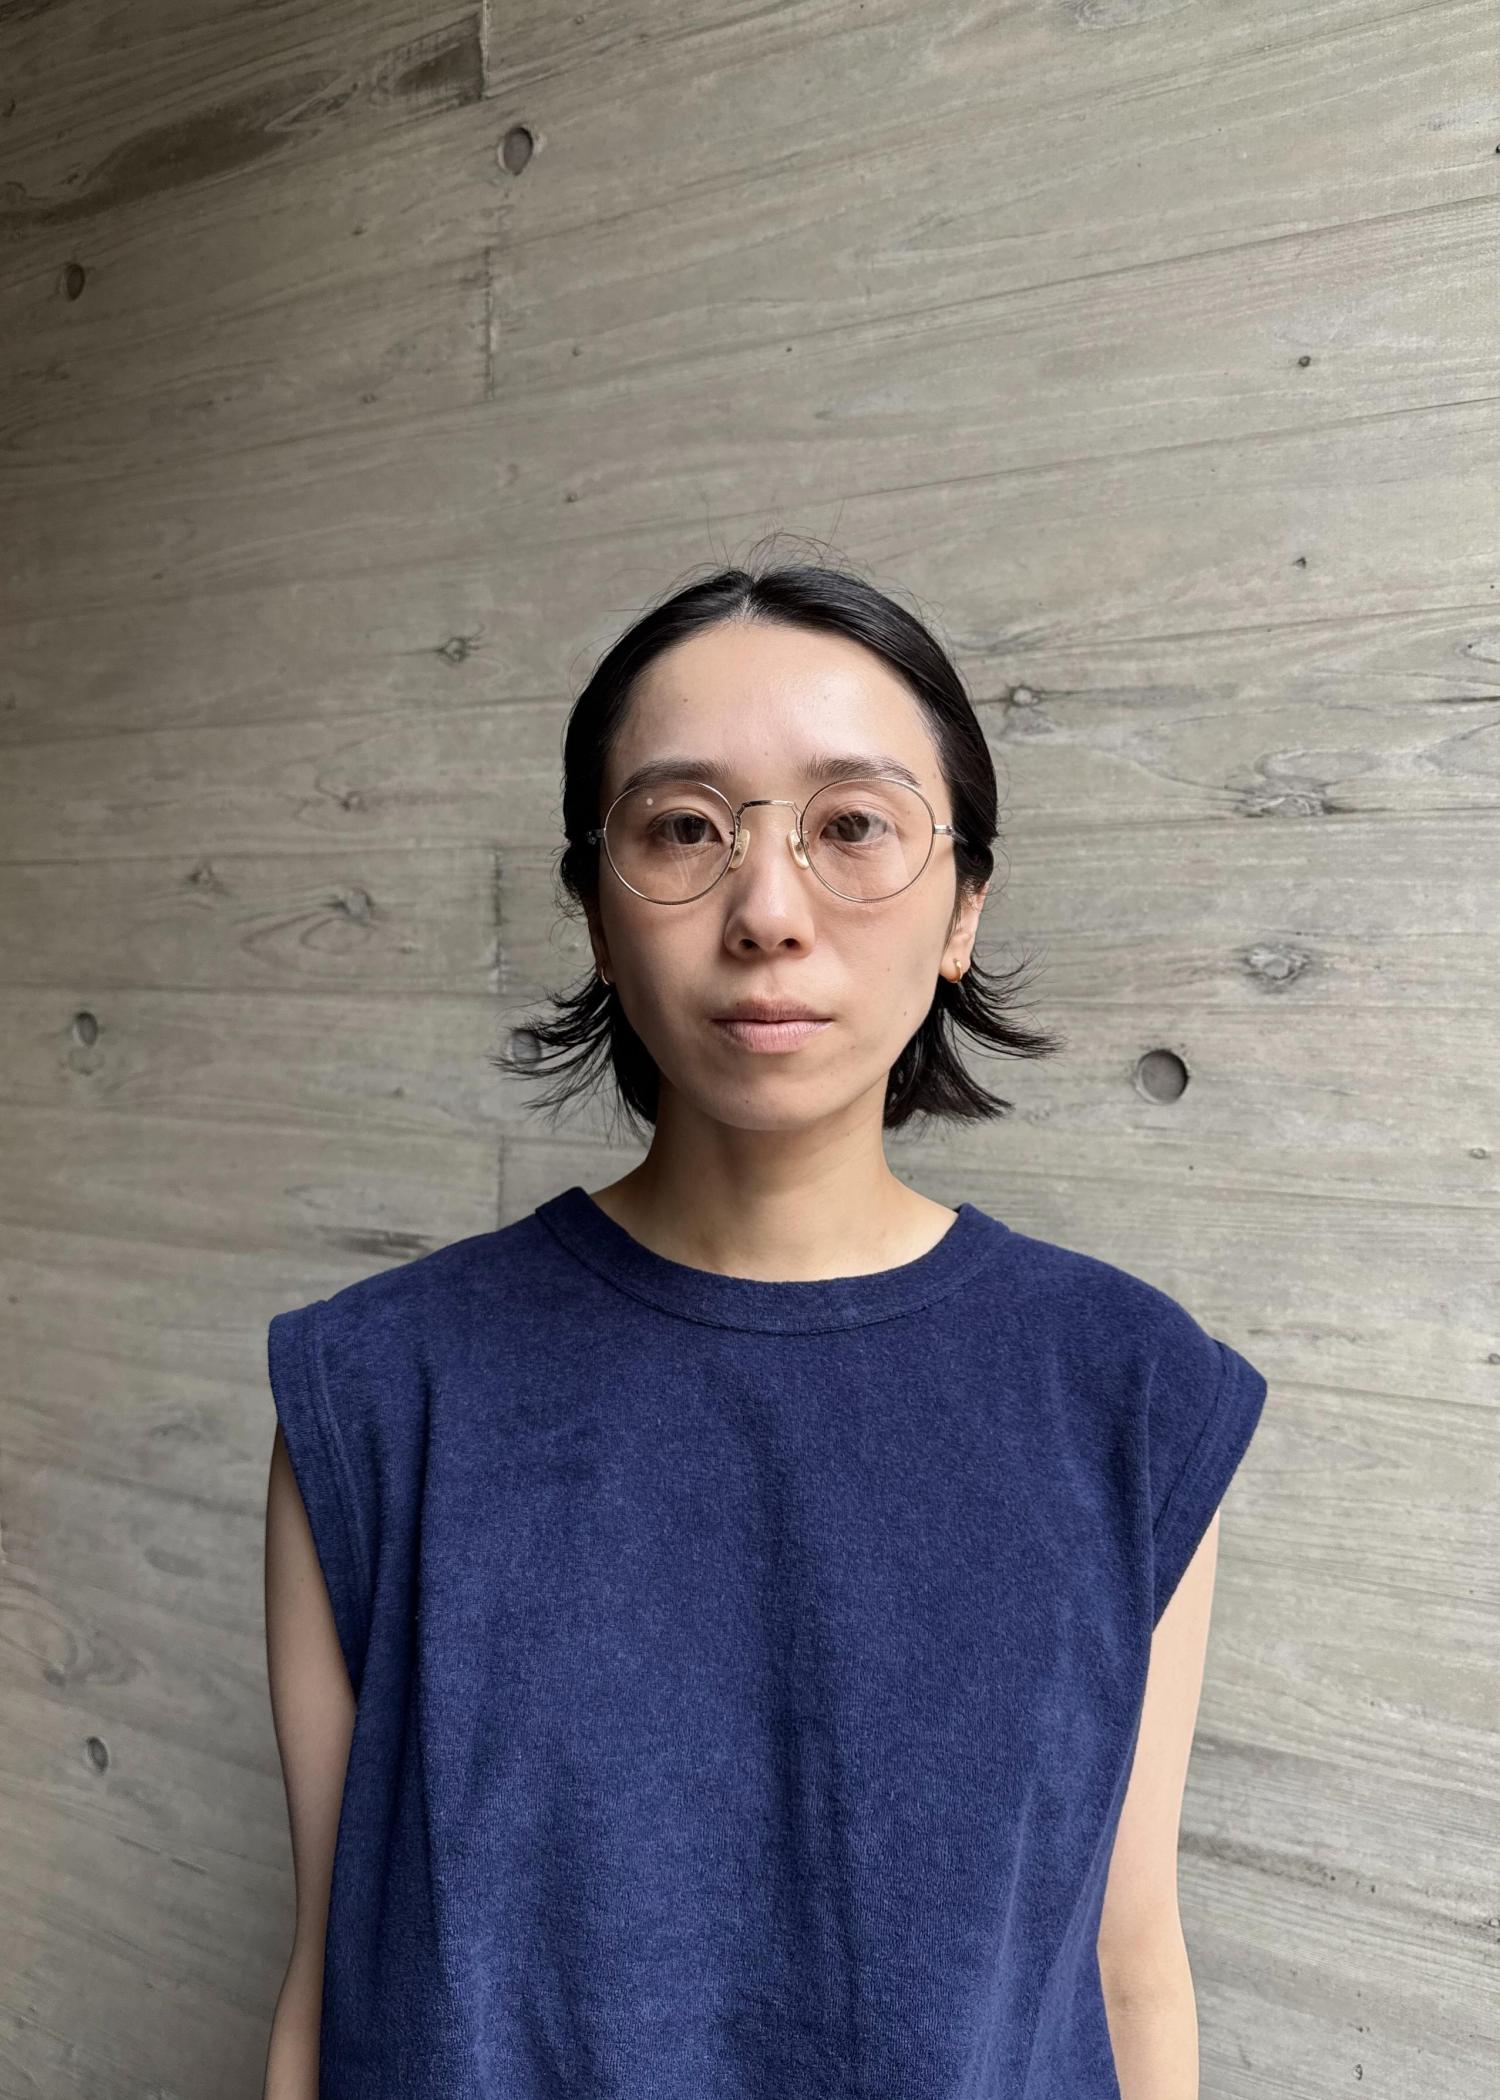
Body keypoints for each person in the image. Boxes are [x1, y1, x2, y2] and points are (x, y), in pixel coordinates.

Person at [262, 554, 1269, 2100]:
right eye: (683, 829)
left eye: (853, 825)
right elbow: (325, 1991)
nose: (769, 911)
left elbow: (1131, 1972)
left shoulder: (1127, 1395)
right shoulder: (380, 1391)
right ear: (597, 914)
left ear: (965, 905)